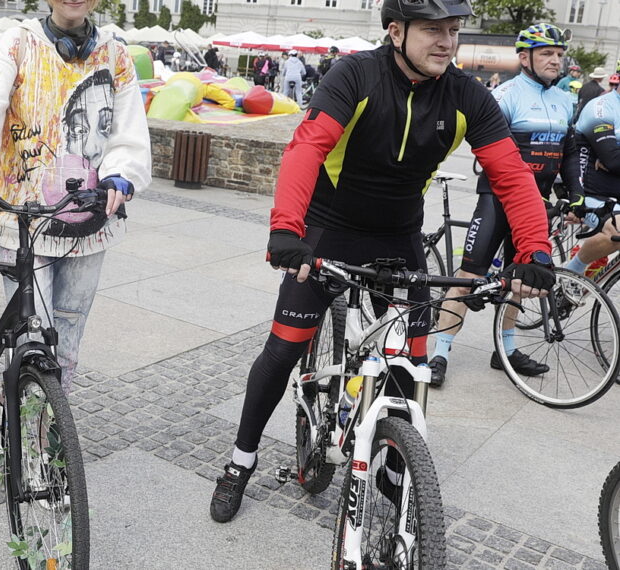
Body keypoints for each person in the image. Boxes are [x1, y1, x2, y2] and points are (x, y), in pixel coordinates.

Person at [208, 0, 555, 524]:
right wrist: (286, 230)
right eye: (432, 30)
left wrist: (535, 251)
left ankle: (395, 479)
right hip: (328, 230)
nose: (446, 41)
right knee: (282, 352)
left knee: (409, 367)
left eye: (453, 31)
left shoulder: (467, 96)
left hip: (398, 236)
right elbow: (306, 148)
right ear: (396, 31)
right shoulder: (356, 75)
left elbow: (511, 175)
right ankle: (240, 462)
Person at [0, 0, 151, 394]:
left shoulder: (116, 53)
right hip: (22, 219)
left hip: (90, 222)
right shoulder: (16, 43)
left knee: (69, 342)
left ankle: (46, 435)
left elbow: (127, 131)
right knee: (30, 340)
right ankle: (14, 438)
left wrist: (121, 176)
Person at [428, 23, 583, 387]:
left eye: (559, 55)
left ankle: (506, 350)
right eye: (547, 53)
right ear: (524, 56)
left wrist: (573, 190)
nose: (555, 61)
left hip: (538, 202)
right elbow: (491, 157)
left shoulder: (565, 99)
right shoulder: (506, 94)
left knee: (524, 280)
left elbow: (569, 150)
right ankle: (440, 352)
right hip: (497, 200)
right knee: (466, 275)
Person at [560, 76, 620, 275]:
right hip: (590, 192)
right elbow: (613, 160)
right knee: (618, 233)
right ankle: (572, 272)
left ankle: (594, 264)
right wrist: (611, 160)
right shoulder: (602, 107)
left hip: (613, 192)